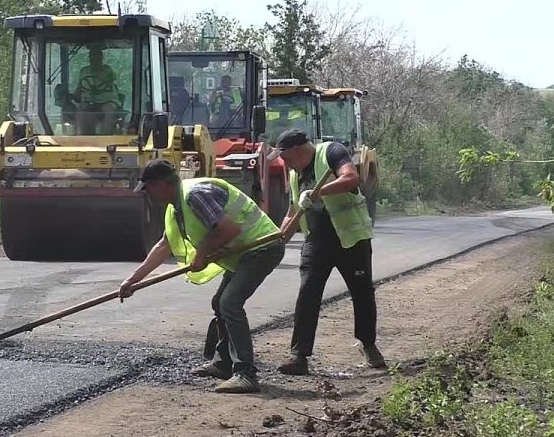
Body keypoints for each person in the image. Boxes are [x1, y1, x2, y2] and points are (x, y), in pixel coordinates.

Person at [119, 159, 285, 393]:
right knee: (220, 302)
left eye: (148, 189)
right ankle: (223, 364)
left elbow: (228, 229)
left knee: (230, 303)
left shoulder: (194, 195)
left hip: (262, 247)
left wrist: (202, 253)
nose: (148, 195)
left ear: (159, 185)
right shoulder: (175, 207)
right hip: (245, 253)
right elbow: (164, 245)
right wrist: (133, 280)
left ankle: (246, 373)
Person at [267, 129, 385, 374]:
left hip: (350, 239)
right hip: (316, 241)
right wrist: (279, 239)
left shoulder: (332, 152)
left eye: (286, 157)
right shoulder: (294, 173)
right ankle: (299, 356)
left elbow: (351, 178)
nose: (285, 163)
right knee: (307, 293)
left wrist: (319, 192)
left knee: (362, 293)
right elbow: (292, 211)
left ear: (297, 150)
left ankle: (368, 344)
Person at [74, 45, 121, 134]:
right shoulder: (84, 71)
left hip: (107, 100)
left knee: (109, 109)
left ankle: (106, 136)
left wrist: (101, 82)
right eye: (91, 57)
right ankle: (81, 137)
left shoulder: (107, 70)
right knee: (80, 110)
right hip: (90, 101)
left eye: (96, 57)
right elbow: (79, 87)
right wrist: (76, 97)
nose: (94, 59)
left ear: (101, 58)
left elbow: (111, 81)